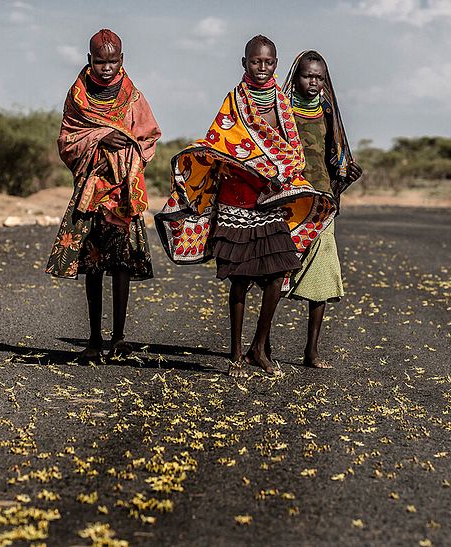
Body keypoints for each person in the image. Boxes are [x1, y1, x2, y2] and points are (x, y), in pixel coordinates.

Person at [155, 36, 336, 378]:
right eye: (256, 62)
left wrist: (279, 172)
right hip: (237, 200)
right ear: (244, 63)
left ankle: (258, 346)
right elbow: (218, 143)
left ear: (276, 64)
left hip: (271, 200)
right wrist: (242, 163)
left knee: (277, 272)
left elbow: (292, 148)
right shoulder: (234, 102)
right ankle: (236, 354)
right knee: (239, 279)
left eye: (268, 63)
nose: (262, 68)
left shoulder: (282, 103)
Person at [46, 29, 161, 361]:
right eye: (100, 61)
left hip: (122, 193)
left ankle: (120, 340)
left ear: (121, 59)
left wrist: (129, 155)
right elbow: (67, 140)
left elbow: (150, 136)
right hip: (92, 193)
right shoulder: (78, 96)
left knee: (122, 264)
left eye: (112, 61)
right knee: (93, 265)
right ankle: (95, 340)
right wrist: (100, 138)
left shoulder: (133, 97)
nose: (106, 67)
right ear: (89, 60)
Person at [282, 50, 362, 368]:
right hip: (286, 202)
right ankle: (263, 348)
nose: (313, 82)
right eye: (307, 76)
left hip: (322, 202)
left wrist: (347, 175)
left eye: (319, 77)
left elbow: (335, 159)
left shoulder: (328, 111)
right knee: (273, 276)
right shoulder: (281, 109)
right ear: (296, 76)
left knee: (323, 275)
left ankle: (311, 351)